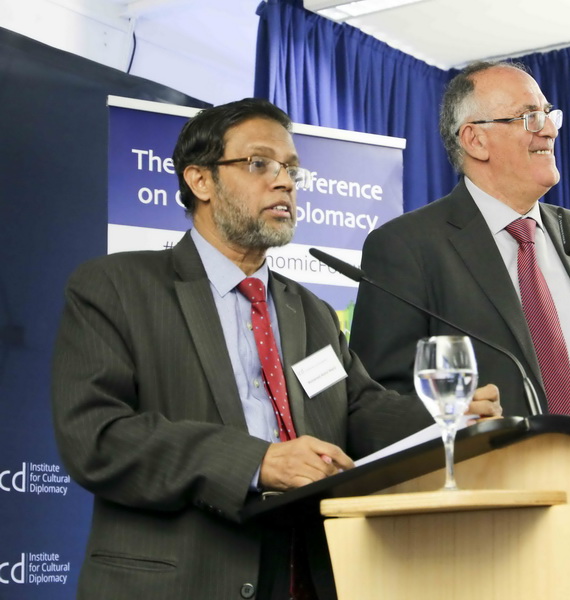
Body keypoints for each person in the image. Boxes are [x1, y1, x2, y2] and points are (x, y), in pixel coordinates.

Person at [51, 98, 500, 600]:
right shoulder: (117, 286)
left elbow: (358, 409)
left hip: (304, 571)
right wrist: (256, 462)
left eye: (291, 169)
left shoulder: (310, 310)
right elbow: (97, 435)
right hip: (184, 578)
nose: (284, 181)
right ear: (200, 181)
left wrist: (444, 420)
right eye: (259, 163)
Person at [350, 61, 570, 425]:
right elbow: (379, 404)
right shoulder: (406, 247)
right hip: (489, 460)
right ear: (475, 140)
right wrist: (455, 417)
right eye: (529, 117)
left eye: (549, 114)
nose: (549, 130)